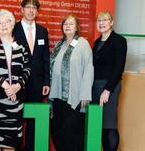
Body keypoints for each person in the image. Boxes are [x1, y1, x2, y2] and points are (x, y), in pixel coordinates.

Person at [0, 9, 31, 151]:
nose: (3, 25)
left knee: (10, 145)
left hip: (14, 101)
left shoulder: (21, 45)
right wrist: (6, 85)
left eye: (6, 21)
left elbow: (27, 69)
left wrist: (17, 86)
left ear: (12, 24)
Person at [49, 14, 93, 151]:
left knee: (73, 132)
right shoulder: (58, 44)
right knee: (57, 130)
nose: (67, 26)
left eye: (71, 24)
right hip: (57, 96)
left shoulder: (83, 44)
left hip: (74, 97)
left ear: (77, 28)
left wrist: (85, 94)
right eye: (65, 23)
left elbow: (88, 69)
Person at [12, 0, 50, 151]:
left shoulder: (42, 31)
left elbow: (45, 58)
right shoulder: (13, 29)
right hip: (17, 83)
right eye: (28, 7)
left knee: (34, 120)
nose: (31, 10)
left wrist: (46, 81)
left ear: (37, 11)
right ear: (22, 10)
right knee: (16, 117)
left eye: (34, 8)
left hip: (37, 83)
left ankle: (30, 148)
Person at [92, 10, 127, 151]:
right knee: (98, 125)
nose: (101, 23)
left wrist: (107, 90)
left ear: (111, 22)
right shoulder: (97, 42)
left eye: (105, 20)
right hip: (95, 87)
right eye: (99, 20)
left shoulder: (119, 40)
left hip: (109, 87)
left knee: (109, 125)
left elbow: (119, 68)